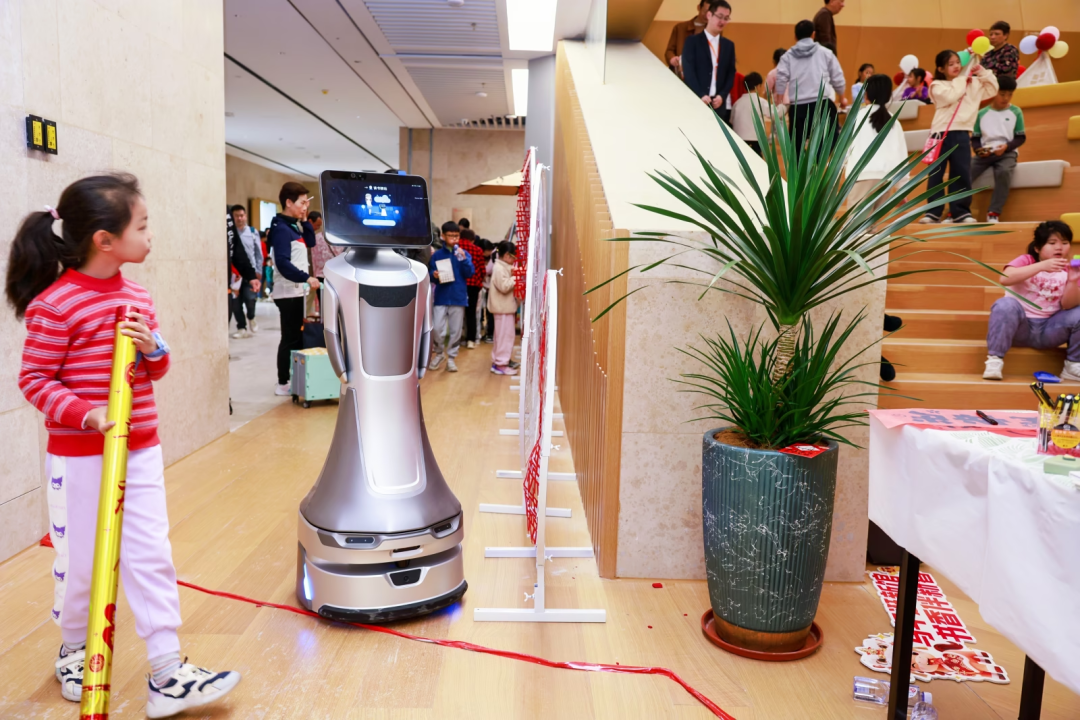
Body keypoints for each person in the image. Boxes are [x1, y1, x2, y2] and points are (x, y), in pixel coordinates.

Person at [5, 174, 240, 715]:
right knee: (83, 562)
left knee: (150, 552)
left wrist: (153, 347)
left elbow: (155, 369)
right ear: (105, 240)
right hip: (81, 457)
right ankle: (74, 648)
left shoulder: (137, 297)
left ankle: (167, 670)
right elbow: (34, 380)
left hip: (140, 448)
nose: (150, 236)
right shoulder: (56, 304)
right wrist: (86, 414)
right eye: (143, 226)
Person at [984, 221, 1080, 381]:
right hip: (1019, 328)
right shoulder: (1026, 260)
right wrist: (1041, 266)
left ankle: (1073, 365)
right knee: (1004, 304)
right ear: (1037, 248)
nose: (1059, 248)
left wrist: (1073, 281)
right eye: (1052, 243)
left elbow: (1068, 305)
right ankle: (994, 360)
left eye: (1064, 243)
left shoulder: (1070, 269)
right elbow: (1005, 278)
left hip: (1049, 330)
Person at [919, 50, 998, 224]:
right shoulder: (937, 85)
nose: (956, 66)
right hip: (940, 134)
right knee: (936, 174)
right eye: (950, 64)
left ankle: (961, 212)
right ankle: (933, 213)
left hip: (962, 133)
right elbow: (951, 96)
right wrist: (964, 78)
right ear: (941, 68)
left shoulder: (971, 83)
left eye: (957, 62)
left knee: (961, 172)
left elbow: (993, 89)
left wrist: (982, 72)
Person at [268, 182, 318, 395]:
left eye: (307, 203)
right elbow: (282, 262)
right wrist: (306, 277)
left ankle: (292, 379)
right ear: (289, 202)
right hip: (287, 292)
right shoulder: (281, 229)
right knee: (290, 337)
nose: (305, 206)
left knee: (295, 336)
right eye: (302, 203)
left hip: (297, 291)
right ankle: (282, 383)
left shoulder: (293, 226)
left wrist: (305, 220)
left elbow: (311, 241)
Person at [775, 19, 846, 157]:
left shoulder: (787, 56)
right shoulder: (825, 53)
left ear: (795, 36)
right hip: (822, 104)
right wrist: (842, 97)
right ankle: (817, 163)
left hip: (798, 107)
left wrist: (780, 99)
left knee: (797, 147)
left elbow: (781, 78)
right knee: (827, 140)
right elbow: (837, 77)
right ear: (813, 34)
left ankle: (799, 169)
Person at [843, 74, 909, 210]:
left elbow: (844, 151)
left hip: (861, 178)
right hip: (886, 180)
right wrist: (902, 188)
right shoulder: (894, 122)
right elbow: (902, 157)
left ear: (866, 94)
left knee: (856, 224)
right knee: (875, 224)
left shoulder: (856, 118)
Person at [972, 74, 1025, 223]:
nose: (1006, 98)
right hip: (986, 152)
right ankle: (955, 211)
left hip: (1007, 152)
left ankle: (994, 212)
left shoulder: (1016, 112)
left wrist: (1007, 147)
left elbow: (1020, 137)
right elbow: (975, 139)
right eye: (1002, 94)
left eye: (1010, 94)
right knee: (965, 172)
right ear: (994, 92)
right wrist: (978, 150)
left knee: (1004, 172)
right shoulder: (981, 113)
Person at [428, 221, 474, 373]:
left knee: (456, 330)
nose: (454, 239)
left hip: (458, 297)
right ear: (443, 236)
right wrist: (434, 275)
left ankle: (452, 358)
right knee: (437, 328)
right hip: (441, 296)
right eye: (450, 236)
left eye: (456, 236)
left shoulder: (463, 254)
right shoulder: (437, 255)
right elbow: (431, 274)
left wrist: (465, 259)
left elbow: (470, 273)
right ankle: (439, 353)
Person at [681, 1, 736, 124]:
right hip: (696, 101)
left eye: (726, 18)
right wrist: (700, 94)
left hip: (718, 105)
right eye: (719, 16)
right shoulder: (692, 42)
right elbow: (689, 71)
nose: (722, 22)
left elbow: (731, 73)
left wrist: (722, 95)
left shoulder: (728, 45)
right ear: (709, 15)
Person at [730, 73, 784, 156]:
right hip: (756, 138)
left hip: (738, 138)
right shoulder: (760, 101)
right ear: (758, 86)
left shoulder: (737, 103)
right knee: (756, 159)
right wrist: (784, 105)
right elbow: (776, 114)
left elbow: (731, 120)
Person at [229, 204, 261, 339]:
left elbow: (258, 253)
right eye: (236, 216)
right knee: (236, 303)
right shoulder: (230, 233)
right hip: (234, 275)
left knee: (250, 299)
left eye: (241, 215)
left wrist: (258, 271)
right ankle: (241, 327)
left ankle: (251, 316)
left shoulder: (252, 232)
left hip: (250, 273)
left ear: (246, 216)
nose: (239, 218)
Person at [488, 241, 519, 375]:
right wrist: (516, 277)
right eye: (513, 257)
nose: (514, 260)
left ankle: (498, 361)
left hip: (504, 308)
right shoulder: (499, 269)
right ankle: (501, 364)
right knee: (505, 337)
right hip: (503, 309)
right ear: (506, 255)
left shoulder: (501, 266)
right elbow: (504, 287)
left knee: (501, 337)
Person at [458, 228, 486, 349]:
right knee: (471, 313)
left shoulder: (455, 248)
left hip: (458, 284)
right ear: (472, 239)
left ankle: (458, 338)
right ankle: (470, 339)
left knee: (458, 312)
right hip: (473, 285)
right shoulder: (478, 250)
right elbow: (482, 270)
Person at [665, 1, 708, 77]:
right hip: (680, 75)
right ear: (699, 7)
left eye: (711, 13)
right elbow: (669, 51)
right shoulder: (680, 28)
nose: (707, 15)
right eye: (705, 11)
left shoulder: (714, 31)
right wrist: (672, 59)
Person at [308, 210, 339, 285]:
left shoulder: (316, 236)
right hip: (330, 274)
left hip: (319, 274)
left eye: (320, 225)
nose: (318, 228)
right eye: (317, 225)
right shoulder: (339, 238)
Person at [480, 239, 496, 343]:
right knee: (486, 311)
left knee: (491, 312)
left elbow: (489, 271)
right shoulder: (481, 257)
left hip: (492, 289)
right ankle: (488, 332)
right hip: (485, 287)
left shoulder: (494, 256)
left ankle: (490, 333)